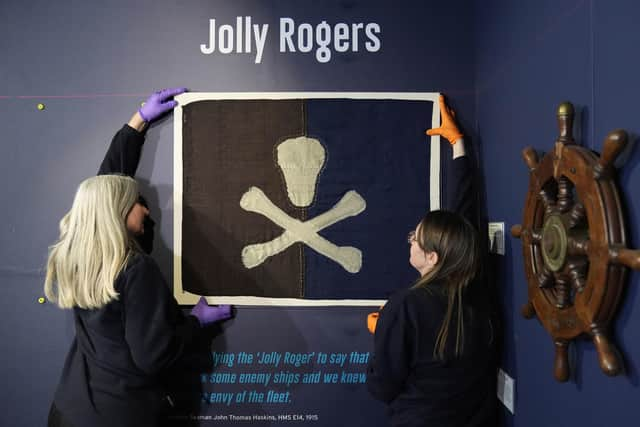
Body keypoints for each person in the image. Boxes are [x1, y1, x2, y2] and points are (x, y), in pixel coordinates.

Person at [45, 91, 232, 427]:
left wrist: (138, 122)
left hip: (69, 412)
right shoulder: (134, 269)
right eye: (137, 203)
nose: (145, 209)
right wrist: (197, 324)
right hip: (121, 415)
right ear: (118, 211)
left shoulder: (76, 254)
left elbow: (103, 193)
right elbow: (153, 356)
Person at [366, 96, 496, 427]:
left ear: (433, 257)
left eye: (416, 237)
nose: (410, 239)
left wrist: (382, 332)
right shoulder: (474, 287)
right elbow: (461, 218)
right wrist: (459, 146)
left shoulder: (404, 306)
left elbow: (381, 387)